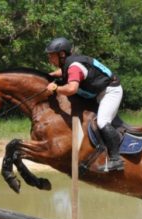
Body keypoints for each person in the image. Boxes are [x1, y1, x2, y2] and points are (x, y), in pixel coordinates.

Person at [45, 37, 124, 172]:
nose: (50, 60)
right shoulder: (70, 63)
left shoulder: (74, 67)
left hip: (111, 92)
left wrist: (55, 88)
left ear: (62, 54)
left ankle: (116, 159)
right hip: (100, 91)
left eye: (52, 56)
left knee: (102, 122)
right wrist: (47, 75)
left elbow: (71, 89)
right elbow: (63, 73)